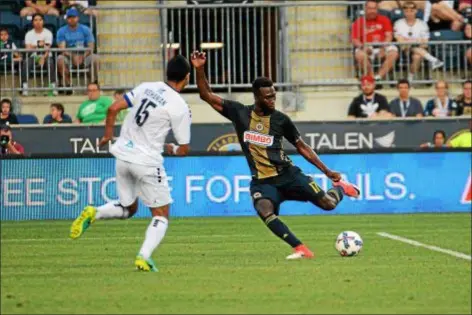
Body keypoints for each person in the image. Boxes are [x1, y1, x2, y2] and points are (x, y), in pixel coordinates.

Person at [192, 50, 360, 260]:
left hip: (289, 175)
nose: (272, 99)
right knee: (264, 210)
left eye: (274, 95)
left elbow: (302, 146)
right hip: (263, 182)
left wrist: (327, 171)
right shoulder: (239, 112)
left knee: (328, 204)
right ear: (257, 96)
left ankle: (340, 188)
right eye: (268, 96)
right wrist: (199, 69)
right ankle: (299, 248)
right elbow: (206, 95)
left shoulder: (281, 120)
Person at [69, 55, 192, 272]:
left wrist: (108, 135)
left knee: (129, 208)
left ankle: (94, 212)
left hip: (122, 157)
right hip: (146, 162)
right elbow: (183, 149)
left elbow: (113, 108)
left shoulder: (147, 87)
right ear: (186, 78)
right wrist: (170, 148)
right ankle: (143, 256)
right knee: (161, 215)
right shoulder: (179, 105)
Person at [393, 1, 443, 82]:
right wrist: (416, 41)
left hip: (419, 48)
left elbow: (425, 43)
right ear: (403, 12)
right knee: (410, 46)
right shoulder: (398, 23)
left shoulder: (422, 24)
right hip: (403, 49)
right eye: (406, 11)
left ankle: (410, 79)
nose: (409, 13)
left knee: (417, 56)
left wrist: (410, 41)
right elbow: (400, 41)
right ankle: (433, 60)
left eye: (411, 11)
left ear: (416, 11)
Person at [351, 0, 399, 81]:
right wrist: (363, 47)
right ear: (365, 9)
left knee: (393, 53)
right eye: (370, 8)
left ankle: (378, 77)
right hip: (366, 45)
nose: (372, 11)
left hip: (383, 45)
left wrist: (384, 47)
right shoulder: (358, 22)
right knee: (359, 55)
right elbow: (354, 39)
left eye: (375, 8)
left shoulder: (384, 19)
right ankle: (372, 77)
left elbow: (389, 35)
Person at [56, 8, 98, 88]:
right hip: (68, 55)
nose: (72, 19)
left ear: (78, 18)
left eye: (74, 17)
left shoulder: (86, 29)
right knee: (60, 59)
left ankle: (92, 85)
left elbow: (91, 47)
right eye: (69, 17)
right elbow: (62, 49)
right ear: (67, 19)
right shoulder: (61, 31)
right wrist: (72, 56)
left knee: (96, 58)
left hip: (85, 54)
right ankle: (68, 85)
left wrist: (83, 56)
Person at [22, 13, 57, 96]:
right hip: (33, 56)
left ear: (43, 21)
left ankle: (53, 87)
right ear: (33, 22)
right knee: (26, 62)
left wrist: (43, 57)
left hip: (46, 56)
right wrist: (39, 45)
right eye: (35, 20)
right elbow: (28, 48)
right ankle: (25, 87)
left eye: (40, 20)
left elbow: (47, 48)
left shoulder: (48, 33)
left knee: (50, 63)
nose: (38, 22)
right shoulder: (29, 34)